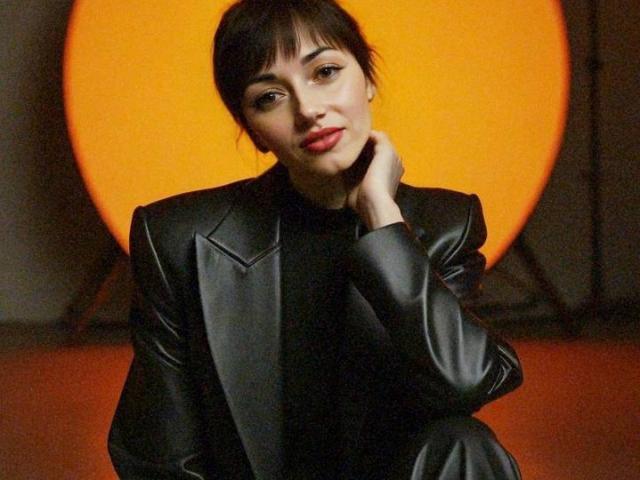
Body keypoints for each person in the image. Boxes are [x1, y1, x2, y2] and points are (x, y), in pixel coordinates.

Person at [108, 0, 523, 478]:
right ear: (252, 130)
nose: (308, 110)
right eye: (269, 97)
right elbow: (160, 456)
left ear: (368, 79)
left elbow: (466, 382)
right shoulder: (180, 239)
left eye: (325, 72)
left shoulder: (446, 224)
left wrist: (384, 223)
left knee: (465, 445)